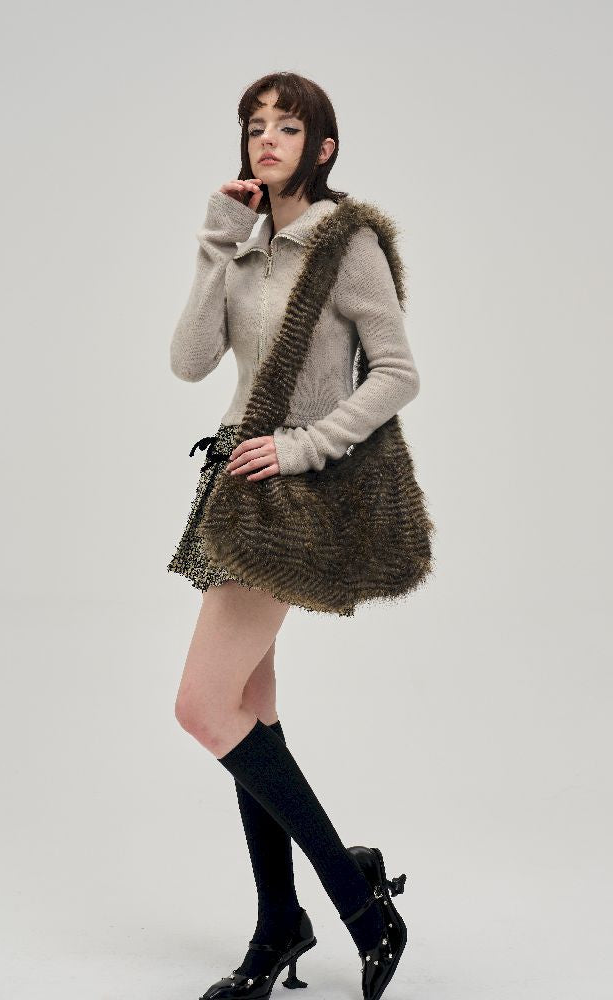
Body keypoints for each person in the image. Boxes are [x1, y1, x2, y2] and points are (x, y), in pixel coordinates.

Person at [168, 71, 419, 1000]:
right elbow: (190, 362)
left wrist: (303, 446)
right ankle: (279, 922)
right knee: (248, 708)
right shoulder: (244, 247)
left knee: (201, 707)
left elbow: (396, 372)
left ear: (323, 148)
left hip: (291, 499)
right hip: (233, 490)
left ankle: (356, 899)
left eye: (287, 126)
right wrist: (216, 240)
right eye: (254, 126)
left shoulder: (346, 244)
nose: (266, 139)